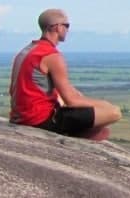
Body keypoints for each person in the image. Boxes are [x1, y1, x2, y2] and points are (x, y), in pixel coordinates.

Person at [9, 9, 121, 141]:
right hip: (40, 120)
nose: (68, 30)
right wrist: (104, 104)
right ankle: (70, 138)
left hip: (21, 117)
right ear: (57, 27)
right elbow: (71, 101)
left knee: (100, 129)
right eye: (67, 25)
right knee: (114, 113)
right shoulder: (51, 56)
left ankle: (72, 134)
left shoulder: (26, 51)